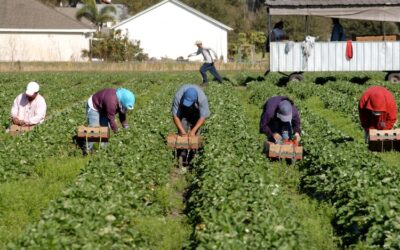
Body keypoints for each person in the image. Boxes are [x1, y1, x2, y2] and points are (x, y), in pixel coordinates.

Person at [85, 88, 135, 152]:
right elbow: (111, 120)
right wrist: (117, 132)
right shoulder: (112, 102)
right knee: (94, 128)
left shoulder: (121, 101)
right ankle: (88, 150)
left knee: (105, 129)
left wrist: (126, 127)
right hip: (94, 105)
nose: (125, 109)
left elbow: (122, 115)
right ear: (122, 102)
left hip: (104, 108)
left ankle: (104, 150)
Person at [172, 84, 210, 165]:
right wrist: (182, 131)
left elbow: (203, 117)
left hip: (196, 114)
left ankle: (192, 157)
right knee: (182, 134)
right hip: (183, 113)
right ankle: (182, 155)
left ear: (195, 99)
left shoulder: (202, 98)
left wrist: (193, 131)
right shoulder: (178, 96)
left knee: (195, 135)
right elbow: (175, 116)